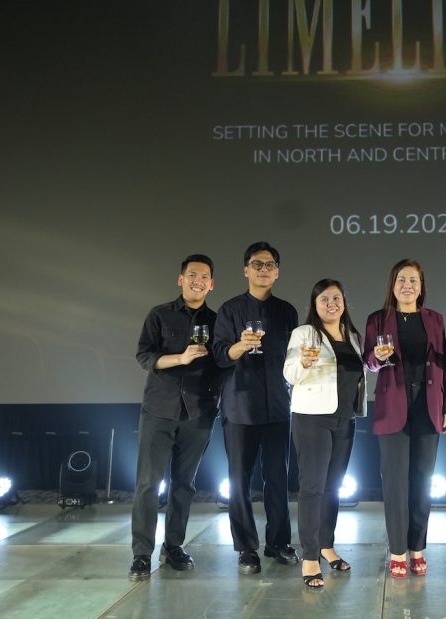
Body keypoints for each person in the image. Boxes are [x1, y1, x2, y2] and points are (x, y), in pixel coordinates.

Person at [129, 254, 221, 581]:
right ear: (181, 279)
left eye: (204, 276)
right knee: (148, 484)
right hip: (159, 409)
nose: (198, 281)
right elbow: (144, 356)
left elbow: (223, 363)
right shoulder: (159, 314)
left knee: (185, 485)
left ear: (212, 284)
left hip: (199, 411)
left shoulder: (218, 320)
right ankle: (141, 553)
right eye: (192, 275)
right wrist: (180, 358)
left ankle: (173, 546)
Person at [363, 259, 446, 579]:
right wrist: (378, 358)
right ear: (392, 284)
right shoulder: (377, 319)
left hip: (428, 405)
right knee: (394, 483)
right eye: (401, 279)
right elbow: (368, 361)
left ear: (421, 286)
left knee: (422, 481)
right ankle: (398, 551)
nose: (407, 285)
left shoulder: (434, 319)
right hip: (393, 406)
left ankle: (417, 548)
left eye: (413, 280)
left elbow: (443, 366)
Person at [212, 241, 299, 574]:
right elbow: (220, 355)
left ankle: (279, 542)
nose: (264, 270)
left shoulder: (287, 311)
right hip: (240, 405)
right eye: (258, 264)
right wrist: (240, 346)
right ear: (246, 270)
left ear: (277, 273)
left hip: (277, 404)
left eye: (270, 265)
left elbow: (293, 357)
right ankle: (246, 548)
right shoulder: (230, 310)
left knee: (277, 477)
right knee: (239, 480)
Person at [283, 279, 366, 589]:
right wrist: (303, 363)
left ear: (344, 302)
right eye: (324, 299)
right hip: (312, 418)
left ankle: (326, 545)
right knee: (313, 487)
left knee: (333, 487)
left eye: (336, 298)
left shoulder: (353, 336)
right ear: (315, 305)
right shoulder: (304, 334)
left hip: (345, 418)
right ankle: (309, 556)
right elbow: (289, 373)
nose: (331, 303)